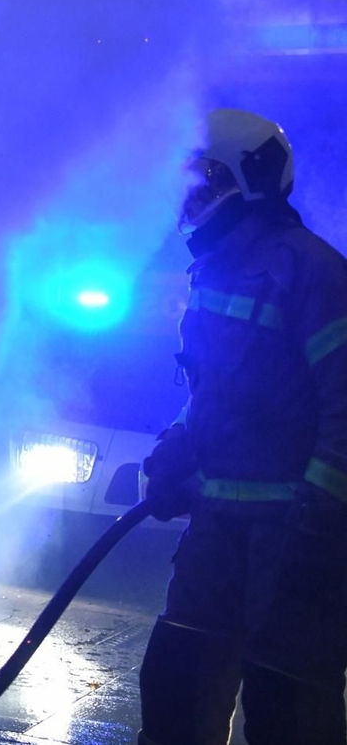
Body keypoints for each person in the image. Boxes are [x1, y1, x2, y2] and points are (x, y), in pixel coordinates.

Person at [138, 108, 347, 744]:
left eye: (207, 180)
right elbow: (215, 393)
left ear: (249, 179)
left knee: (289, 711)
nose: (193, 199)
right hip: (218, 532)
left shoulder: (311, 273)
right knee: (174, 685)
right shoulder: (216, 271)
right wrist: (176, 450)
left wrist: (319, 516)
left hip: (294, 543)